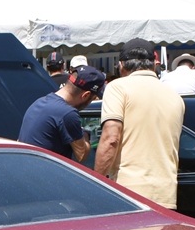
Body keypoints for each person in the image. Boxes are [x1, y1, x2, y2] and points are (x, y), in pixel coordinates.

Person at [94, 38, 185, 209]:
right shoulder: (174, 96)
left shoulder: (118, 87)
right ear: (154, 64)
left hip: (127, 193)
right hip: (166, 195)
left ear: (121, 65)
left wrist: (95, 183)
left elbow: (111, 138)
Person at [18, 65, 106, 163]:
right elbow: (82, 155)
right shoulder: (68, 114)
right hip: (46, 175)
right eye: (93, 99)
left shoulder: (39, 102)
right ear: (86, 95)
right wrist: (86, 133)